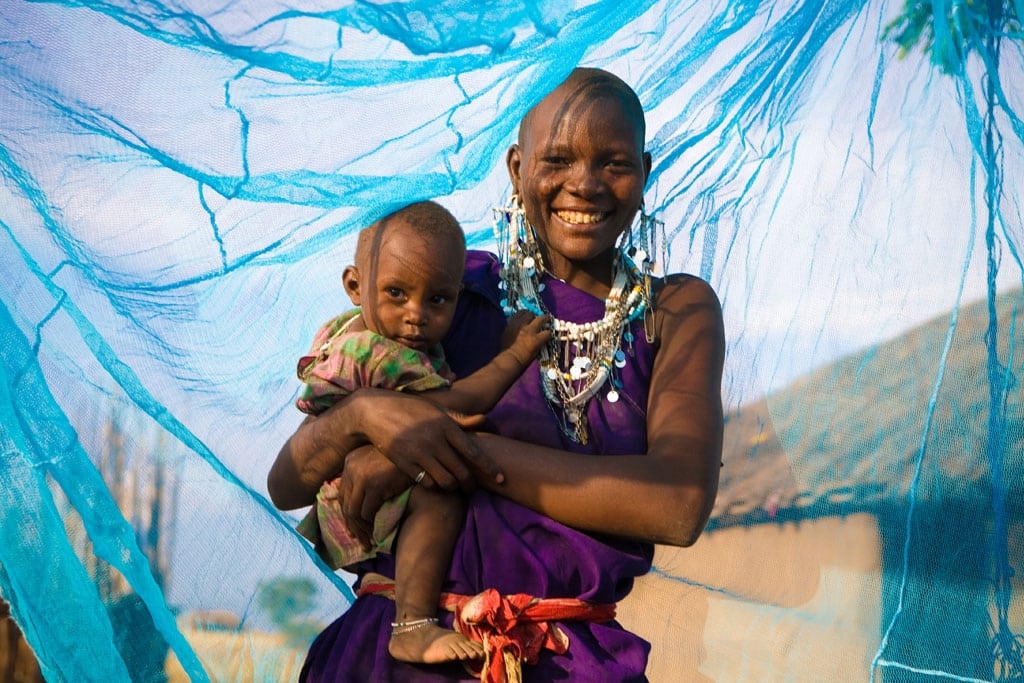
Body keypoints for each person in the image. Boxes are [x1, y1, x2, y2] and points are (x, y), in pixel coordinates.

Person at [268, 67, 725, 681]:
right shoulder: (446, 291)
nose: (584, 185)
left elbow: (677, 505)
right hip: (394, 651)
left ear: (644, 174)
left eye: (613, 163)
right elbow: (288, 486)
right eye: (557, 159)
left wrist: (443, 450)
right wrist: (362, 416)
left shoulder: (674, 311)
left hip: (568, 662)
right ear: (516, 168)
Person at [292, 200, 551, 664]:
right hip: (358, 502)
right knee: (442, 484)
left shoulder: (343, 332)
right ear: (355, 285)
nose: (416, 314)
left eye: (437, 299)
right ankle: (412, 626)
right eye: (396, 293)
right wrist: (514, 355)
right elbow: (458, 406)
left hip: (344, 498)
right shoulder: (386, 354)